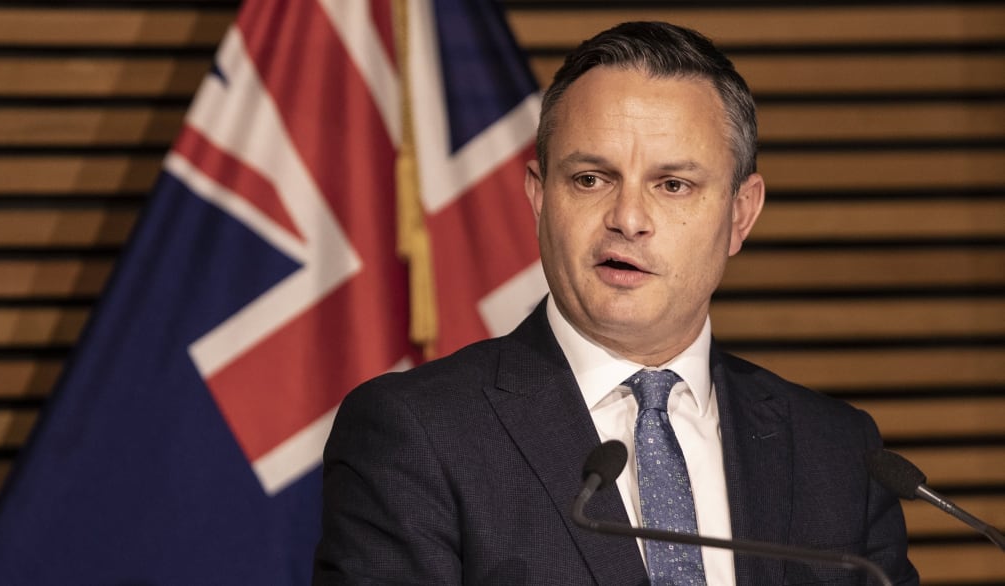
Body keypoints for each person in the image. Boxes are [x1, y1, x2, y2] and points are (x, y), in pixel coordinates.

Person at [314, 21, 919, 585]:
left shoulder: (839, 454)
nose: (628, 219)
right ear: (539, 198)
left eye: (673, 184)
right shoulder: (416, 434)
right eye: (590, 179)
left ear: (740, 214)